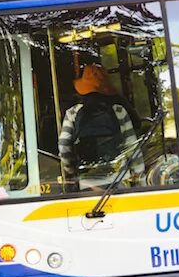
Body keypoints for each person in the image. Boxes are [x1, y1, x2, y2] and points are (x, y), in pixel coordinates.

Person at [58, 59, 144, 190]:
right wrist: (139, 178)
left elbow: (64, 147)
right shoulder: (118, 110)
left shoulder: (72, 113)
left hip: (87, 183)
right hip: (118, 180)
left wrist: (71, 172)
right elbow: (132, 147)